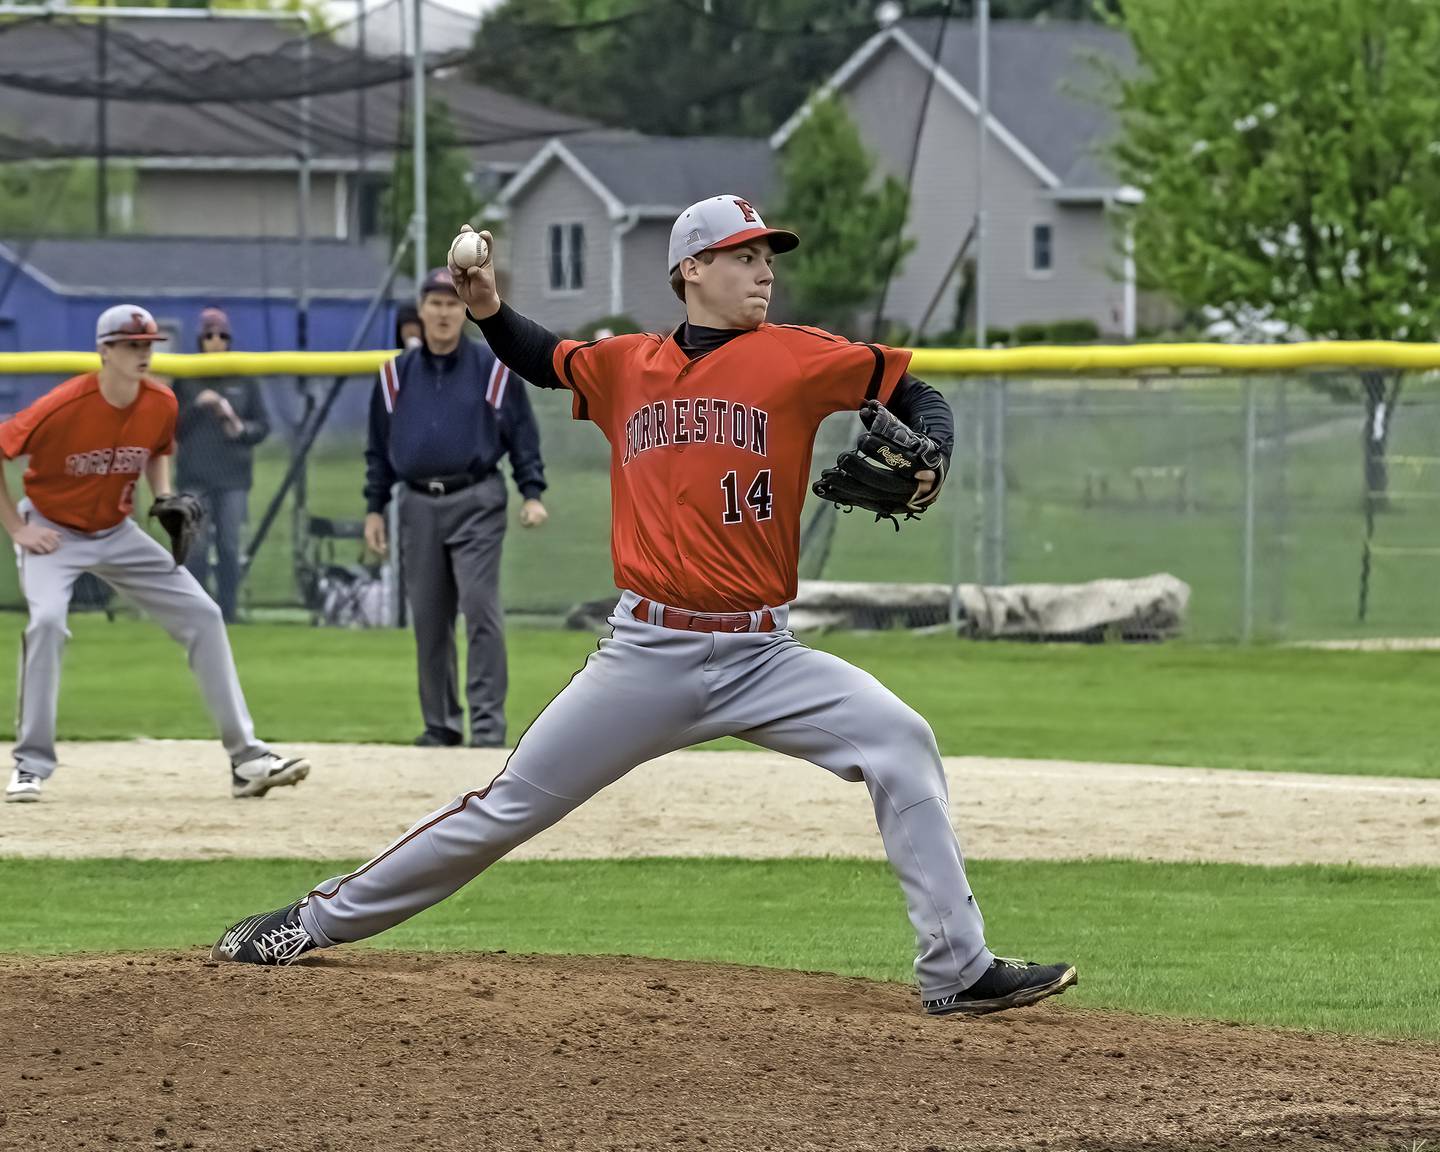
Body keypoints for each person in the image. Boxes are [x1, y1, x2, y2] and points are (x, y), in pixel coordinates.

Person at [210, 198, 1076, 1018]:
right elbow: (546, 359)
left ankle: (958, 970)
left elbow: (912, 392)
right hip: (645, 655)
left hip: (765, 656)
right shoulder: (629, 365)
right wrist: (485, 307)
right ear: (692, 268)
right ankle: (311, 923)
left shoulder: (799, 355)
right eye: (745, 256)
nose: (764, 270)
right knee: (504, 807)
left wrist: (937, 450)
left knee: (901, 742)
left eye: (767, 256)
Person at [0, 304, 311, 804]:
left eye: (147, 344)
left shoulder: (160, 402)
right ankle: (30, 765)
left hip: (116, 532)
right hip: (52, 532)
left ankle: (247, 759)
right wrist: (18, 527)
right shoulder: (64, 404)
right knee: (48, 623)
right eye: (131, 344)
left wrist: (162, 496)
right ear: (105, 351)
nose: (143, 352)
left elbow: (159, 448)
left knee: (204, 615)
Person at [363, 268, 548, 749]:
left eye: (451, 303)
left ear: (463, 311)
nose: (443, 312)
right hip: (417, 503)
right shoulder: (394, 375)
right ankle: (441, 724)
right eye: (435, 303)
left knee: (480, 610)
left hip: (477, 499)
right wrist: (375, 508)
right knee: (429, 618)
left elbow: (522, 436)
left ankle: (486, 728)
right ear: (420, 311)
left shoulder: (493, 368)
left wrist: (532, 492)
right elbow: (378, 451)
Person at [172, 307, 270, 623]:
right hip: (194, 476)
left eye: (222, 336)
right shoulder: (186, 378)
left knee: (229, 546)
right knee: (195, 548)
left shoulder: (243, 377)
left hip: (233, 477)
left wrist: (240, 428)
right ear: (201, 339)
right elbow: (171, 427)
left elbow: (262, 427)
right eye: (210, 335)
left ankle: (229, 610)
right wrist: (197, 407)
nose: (216, 342)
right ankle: (199, 609)